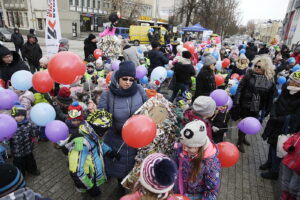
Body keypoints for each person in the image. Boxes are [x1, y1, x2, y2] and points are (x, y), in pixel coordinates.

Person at [98, 61, 148, 194]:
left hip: (136, 141)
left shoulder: (140, 90)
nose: (128, 82)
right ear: (118, 77)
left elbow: (147, 109)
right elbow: (101, 119)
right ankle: (119, 189)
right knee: (119, 169)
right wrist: (96, 115)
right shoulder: (107, 94)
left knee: (133, 167)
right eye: (124, 78)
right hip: (116, 140)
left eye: (131, 79)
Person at [65, 102, 113, 197]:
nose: (106, 133)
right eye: (105, 130)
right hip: (88, 180)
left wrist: (109, 151)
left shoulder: (90, 131)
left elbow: (98, 143)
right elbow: (76, 172)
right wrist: (90, 187)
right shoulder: (81, 144)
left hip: (94, 175)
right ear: (99, 129)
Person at [232, 55, 276, 153]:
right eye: (255, 65)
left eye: (259, 67)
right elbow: (240, 89)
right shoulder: (249, 75)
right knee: (244, 124)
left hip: (257, 107)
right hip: (245, 105)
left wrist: (267, 109)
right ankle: (240, 141)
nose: (256, 68)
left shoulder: (270, 80)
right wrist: (237, 103)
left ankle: (243, 138)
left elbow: (270, 96)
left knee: (250, 123)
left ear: (265, 67)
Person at [261, 71, 300, 180]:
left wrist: (279, 119)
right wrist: (273, 114)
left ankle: (274, 171)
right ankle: (269, 162)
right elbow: (277, 102)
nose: (289, 80)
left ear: (297, 83)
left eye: (292, 79)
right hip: (275, 121)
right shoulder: (286, 89)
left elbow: (296, 117)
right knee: (271, 143)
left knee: (278, 147)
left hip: (286, 127)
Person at [174, 120, 221, 199]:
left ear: (200, 146)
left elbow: (211, 190)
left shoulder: (210, 164)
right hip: (178, 191)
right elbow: (174, 165)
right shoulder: (181, 149)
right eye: (183, 144)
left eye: (189, 147)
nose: (184, 148)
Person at [9, 103, 40, 176]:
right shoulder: (10, 125)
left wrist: (36, 132)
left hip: (28, 147)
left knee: (30, 160)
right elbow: (6, 138)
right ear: (13, 116)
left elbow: (33, 133)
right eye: (17, 115)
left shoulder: (29, 123)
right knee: (19, 163)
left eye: (22, 115)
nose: (20, 117)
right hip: (17, 150)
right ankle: (20, 174)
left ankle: (32, 170)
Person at [280, 132, 300, 200]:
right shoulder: (296, 136)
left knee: (293, 186)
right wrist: (288, 147)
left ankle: (292, 196)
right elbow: (286, 144)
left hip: (298, 168)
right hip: (288, 163)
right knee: (285, 180)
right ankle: (284, 194)